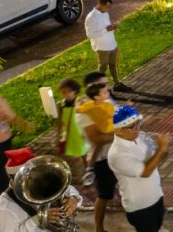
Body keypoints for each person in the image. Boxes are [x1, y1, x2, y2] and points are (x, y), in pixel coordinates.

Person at [108, 106, 168, 232]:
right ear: (119, 130)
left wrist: (163, 148)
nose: (137, 129)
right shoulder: (117, 155)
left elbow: (158, 159)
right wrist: (161, 148)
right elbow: (145, 172)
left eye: (138, 124)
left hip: (156, 197)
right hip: (141, 207)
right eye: (132, 127)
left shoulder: (140, 136)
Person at [0, 148, 81, 232]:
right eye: (31, 176)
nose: (40, 179)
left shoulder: (40, 180)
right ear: (14, 177)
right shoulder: (4, 208)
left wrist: (74, 198)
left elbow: (67, 189)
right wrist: (37, 220)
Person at [76, 72, 118, 232]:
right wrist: (120, 135)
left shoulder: (105, 99)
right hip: (103, 159)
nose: (107, 87)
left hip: (117, 151)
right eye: (102, 84)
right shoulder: (85, 111)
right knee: (104, 194)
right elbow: (96, 139)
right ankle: (98, 228)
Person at [85, 0, 128, 91]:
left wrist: (113, 27)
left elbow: (107, 27)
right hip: (102, 48)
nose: (110, 9)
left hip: (112, 44)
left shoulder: (105, 13)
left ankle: (117, 84)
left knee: (113, 65)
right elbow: (89, 35)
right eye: (108, 7)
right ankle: (102, 89)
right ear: (100, 4)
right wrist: (105, 30)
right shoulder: (91, 17)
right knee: (102, 69)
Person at [77, 83, 115, 173]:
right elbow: (98, 140)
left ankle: (89, 167)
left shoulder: (106, 104)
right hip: (103, 159)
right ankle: (90, 168)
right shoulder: (85, 114)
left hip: (112, 152)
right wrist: (119, 137)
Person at [56, 79, 88, 184]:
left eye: (69, 91)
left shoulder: (80, 101)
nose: (66, 94)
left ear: (75, 90)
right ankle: (80, 174)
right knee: (75, 156)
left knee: (86, 155)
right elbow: (59, 122)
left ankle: (89, 172)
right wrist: (58, 136)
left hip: (82, 134)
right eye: (63, 92)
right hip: (70, 135)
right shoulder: (60, 105)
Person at [0, 89, 19, 193]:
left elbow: (11, 116)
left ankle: (17, 196)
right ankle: (12, 199)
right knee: (2, 176)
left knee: (6, 173)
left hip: (3, 142)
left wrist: (5, 115)